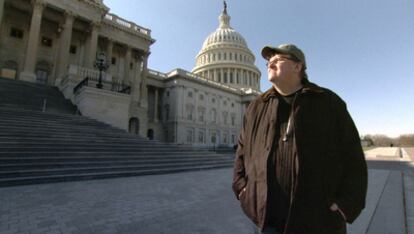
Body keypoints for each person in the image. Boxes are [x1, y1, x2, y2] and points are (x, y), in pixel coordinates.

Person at [232, 44, 368, 234]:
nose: (270, 65)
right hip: (266, 219)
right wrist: (241, 189)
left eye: (277, 60)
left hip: (317, 222)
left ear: (298, 67)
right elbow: (242, 151)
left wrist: (345, 206)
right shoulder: (256, 107)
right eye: (268, 63)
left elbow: (353, 157)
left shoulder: (328, 102)